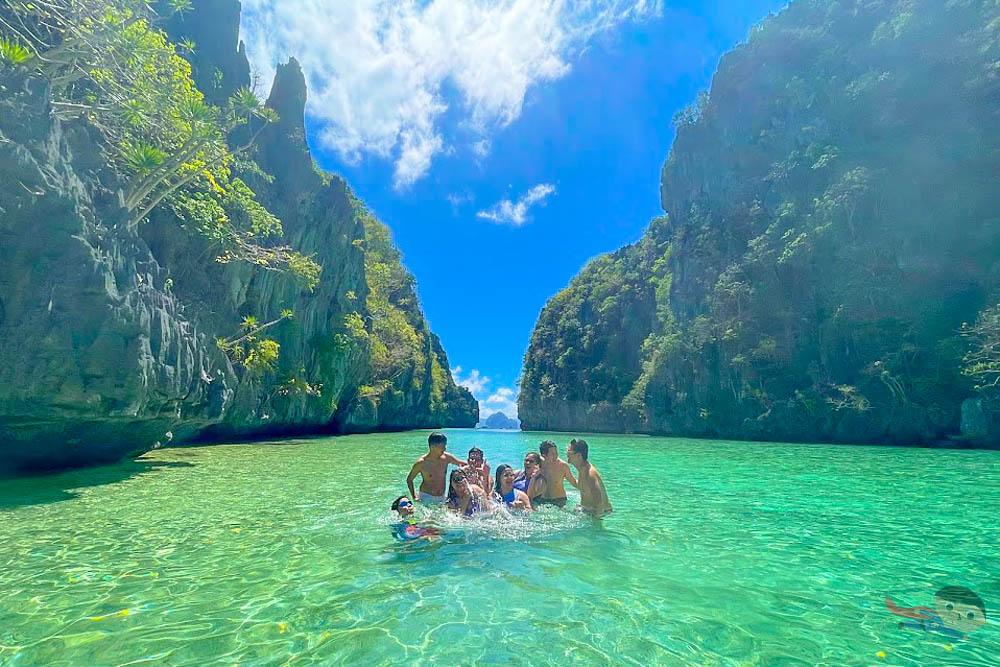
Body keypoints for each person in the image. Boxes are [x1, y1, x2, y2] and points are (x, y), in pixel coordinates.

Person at [406, 432, 466, 505]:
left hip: (442, 497)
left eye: (445, 446)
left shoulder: (446, 457)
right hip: (426, 497)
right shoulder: (421, 463)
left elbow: (461, 464)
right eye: (442, 446)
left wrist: (476, 465)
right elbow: (409, 479)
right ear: (432, 446)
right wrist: (414, 496)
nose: (445, 449)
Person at [566, 439, 612, 518]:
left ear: (578, 455)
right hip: (588, 510)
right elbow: (583, 487)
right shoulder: (582, 469)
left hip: (599, 512)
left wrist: (596, 525)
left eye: (569, 453)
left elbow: (599, 500)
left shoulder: (590, 474)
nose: (567, 454)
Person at [536, 440, 577, 508]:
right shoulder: (538, 463)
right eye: (552, 454)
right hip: (542, 500)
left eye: (556, 453)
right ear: (544, 455)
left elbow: (574, 482)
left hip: (559, 501)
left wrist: (587, 488)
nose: (556, 456)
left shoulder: (563, 466)